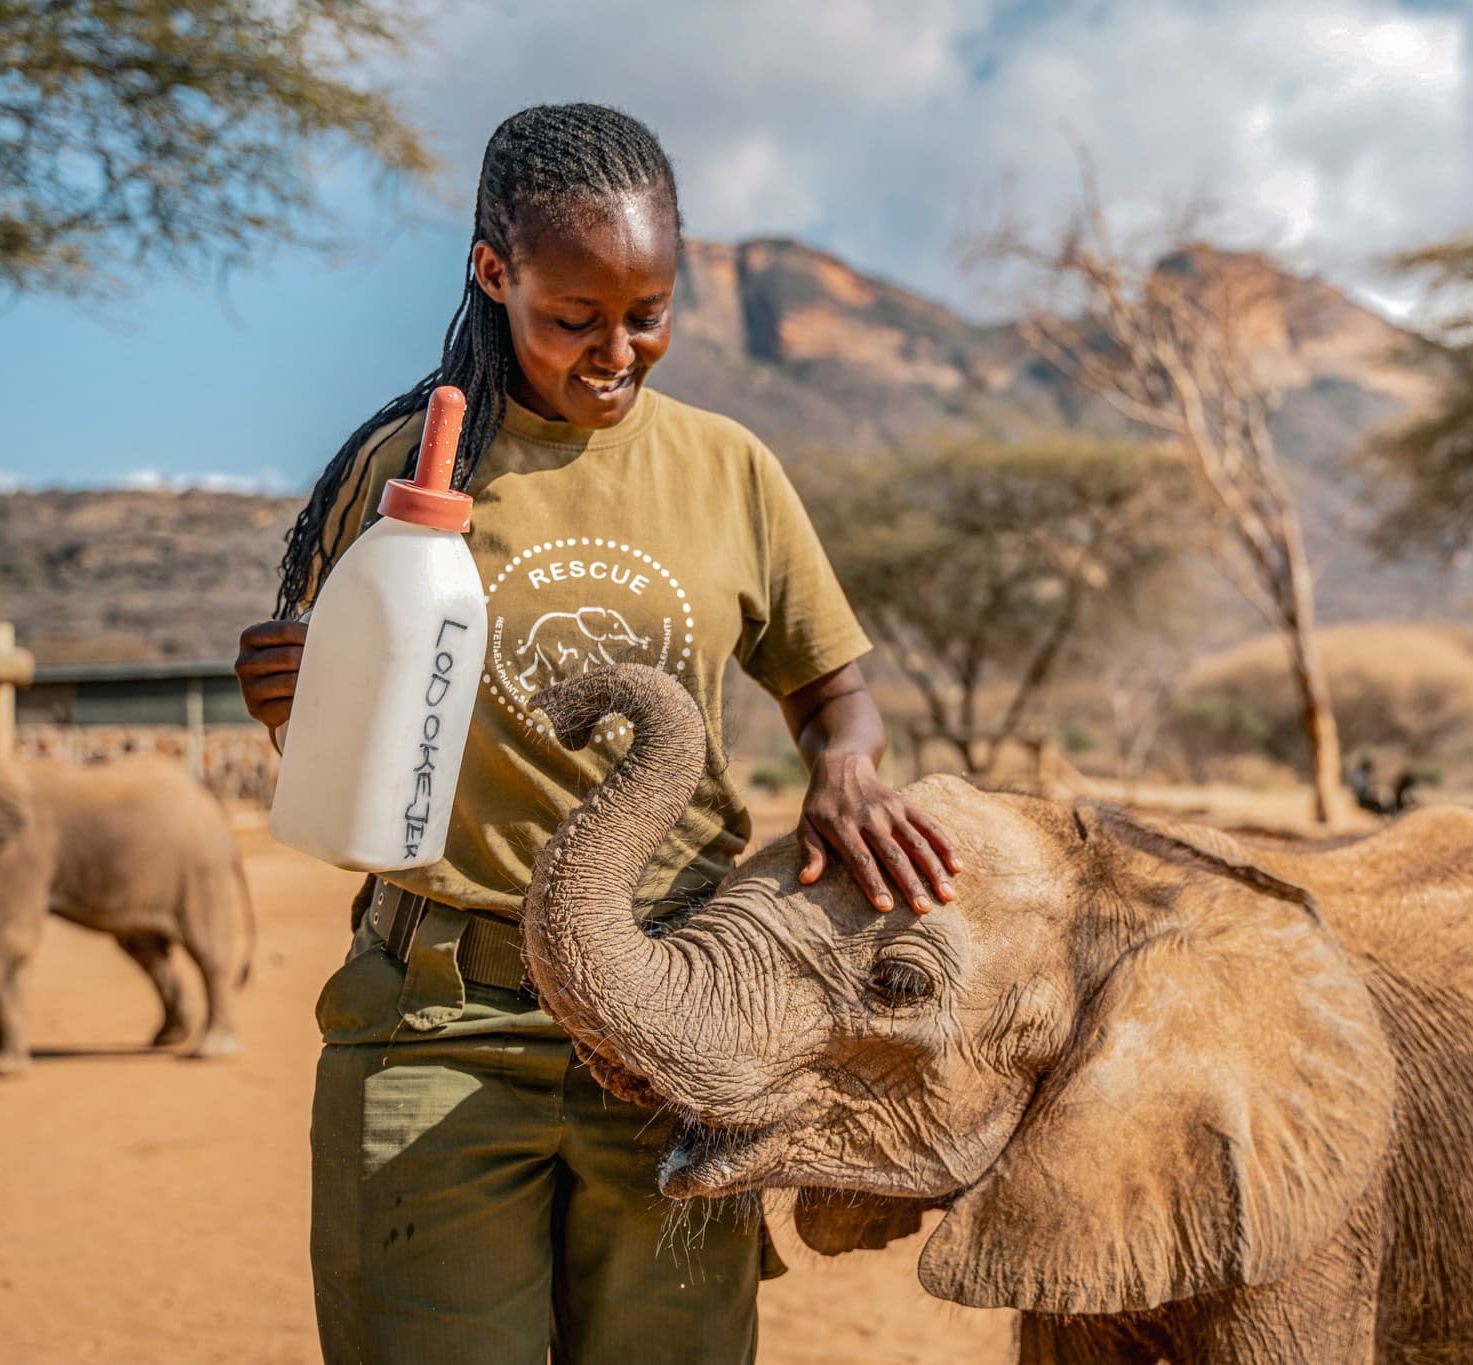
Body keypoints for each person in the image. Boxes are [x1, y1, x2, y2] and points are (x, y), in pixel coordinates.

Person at [233, 103, 961, 1365]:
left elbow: (831, 688)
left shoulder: (730, 468)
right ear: (494, 273)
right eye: (576, 318)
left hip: (677, 1018)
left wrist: (846, 767)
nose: (617, 350)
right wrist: (295, 701)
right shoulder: (410, 467)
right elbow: (345, 736)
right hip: (440, 1022)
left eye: (649, 313)